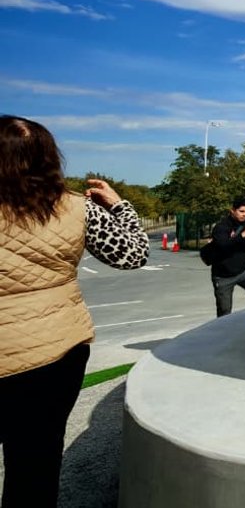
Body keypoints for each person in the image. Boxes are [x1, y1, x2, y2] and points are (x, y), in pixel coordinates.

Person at [0, 115, 148, 506]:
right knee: (33, 465)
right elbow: (133, 253)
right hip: (53, 354)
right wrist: (120, 206)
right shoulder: (76, 209)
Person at [209, 197, 245, 317]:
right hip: (223, 276)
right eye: (241, 211)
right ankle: (223, 333)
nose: (244, 214)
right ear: (232, 211)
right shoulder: (221, 227)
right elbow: (223, 245)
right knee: (224, 311)